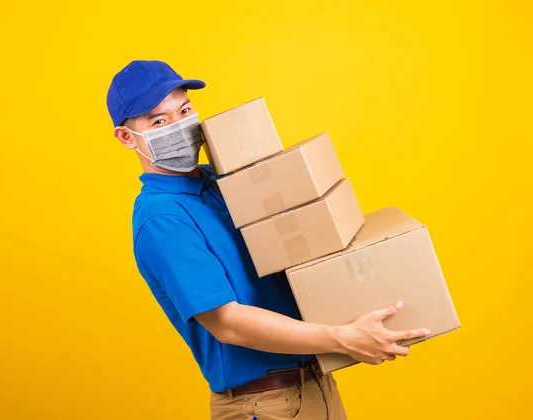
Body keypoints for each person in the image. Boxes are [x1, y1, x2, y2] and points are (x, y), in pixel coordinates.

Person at [107, 60, 431, 420]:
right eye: (159, 121)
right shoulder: (162, 217)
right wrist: (343, 337)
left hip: (316, 387)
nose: (180, 126)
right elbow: (227, 322)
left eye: (184, 110)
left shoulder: (222, 181)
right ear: (126, 137)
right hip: (264, 406)